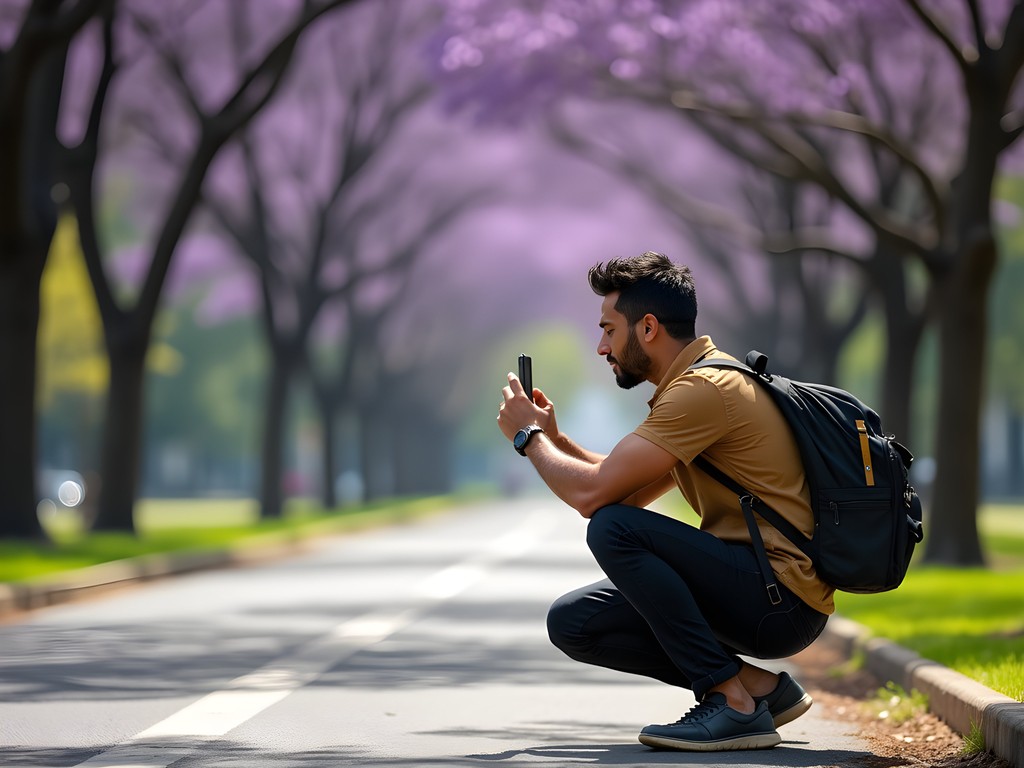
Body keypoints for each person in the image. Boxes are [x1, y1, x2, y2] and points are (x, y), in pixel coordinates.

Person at [497, 251, 833, 752]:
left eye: (609, 330)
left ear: (648, 327)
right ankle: (761, 690)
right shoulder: (697, 384)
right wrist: (555, 439)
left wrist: (528, 438)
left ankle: (730, 703)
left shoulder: (703, 391)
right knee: (575, 621)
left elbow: (596, 499)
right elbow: (622, 488)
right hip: (765, 592)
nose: (600, 347)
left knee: (612, 528)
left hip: (778, 598)